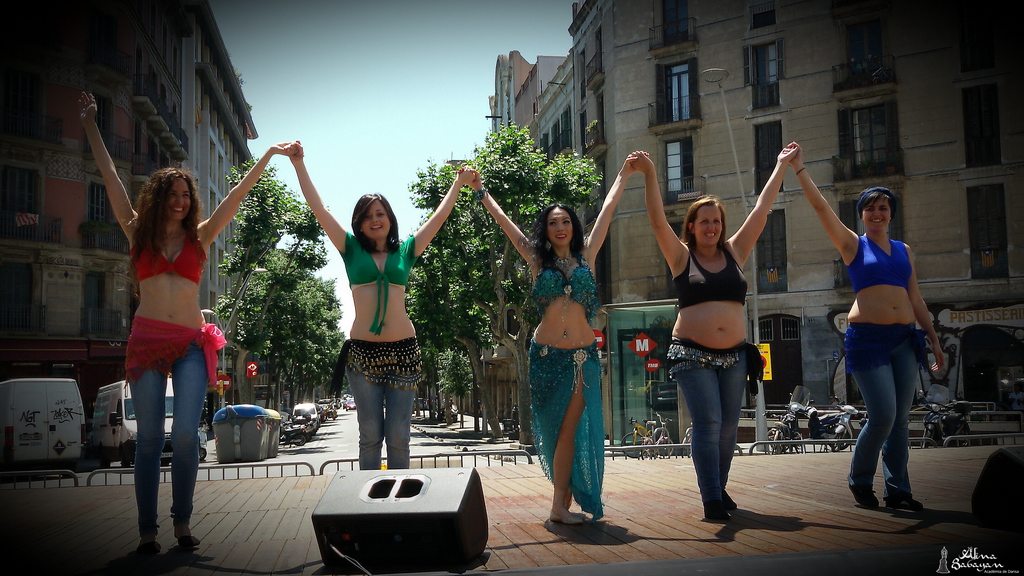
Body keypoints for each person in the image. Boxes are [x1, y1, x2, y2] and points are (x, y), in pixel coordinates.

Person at [79, 92, 293, 554]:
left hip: (193, 342)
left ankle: (181, 523)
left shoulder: (202, 235)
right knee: (151, 439)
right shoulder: (136, 230)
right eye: (173, 194)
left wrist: (271, 156)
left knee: (185, 435)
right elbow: (111, 176)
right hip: (147, 341)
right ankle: (147, 531)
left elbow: (236, 196)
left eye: (186, 195)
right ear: (159, 197)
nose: (180, 201)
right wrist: (91, 122)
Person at [287, 142, 471, 470]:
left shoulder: (407, 251)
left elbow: (439, 217)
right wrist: (299, 164)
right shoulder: (350, 249)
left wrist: (457, 185)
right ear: (359, 223)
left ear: (390, 218)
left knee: (399, 435)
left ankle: (400, 508)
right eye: (368, 215)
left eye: (381, 213)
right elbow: (318, 209)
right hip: (363, 354)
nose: (375, 220)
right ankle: (368, 510)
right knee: (370, 433)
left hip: (404, 352)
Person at [477, 152, 640, 524]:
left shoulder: (587, 254)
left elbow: (609, 208)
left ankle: (558, 506)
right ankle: (561, 501)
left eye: (566, 221)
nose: (561, 227)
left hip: (582, 356)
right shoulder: (537, 260)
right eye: (553, 223)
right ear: (546, 230)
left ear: (573, 227)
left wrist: (626, 171)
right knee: (553, 431)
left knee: (570, 427)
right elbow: (505, 224)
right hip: (546, 356)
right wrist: (481, 190)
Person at [640, 144, 798, 520]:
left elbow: (761, 211)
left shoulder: (734, 252)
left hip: (734, 355)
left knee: (729, 428)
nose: (711, 227)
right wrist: (648, 174)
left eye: (717, 221)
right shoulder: (681, 256)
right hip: (691, 354)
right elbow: (658, 220)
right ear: (691, 226)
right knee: (708, 423)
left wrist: (779, 167)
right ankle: (711, 497)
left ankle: (718, 486)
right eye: (704, 221)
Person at [792, 142, 944, 511]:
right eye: (870, 208)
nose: (877, 212)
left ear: (891, 213)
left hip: (905, 339)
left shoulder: (904, 250)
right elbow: (820, 208)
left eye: (883, 207)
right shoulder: (853, 245)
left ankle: (899, 491)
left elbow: (917, 300)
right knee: (883, 416)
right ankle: (860, 480)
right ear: (861, 215)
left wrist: (936, 344)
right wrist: (799, 168)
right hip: (867, 340)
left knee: (902, 419)